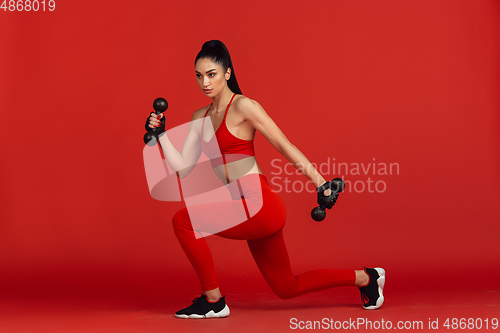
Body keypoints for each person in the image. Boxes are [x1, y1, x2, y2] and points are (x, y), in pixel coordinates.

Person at [146, 40, 385, 319]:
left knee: (183, 221)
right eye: (199, 76)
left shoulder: (244, 106)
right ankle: (367, 278)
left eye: (211, 74)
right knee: (287, 287)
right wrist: (161, 135)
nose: (205, 82)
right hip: (241, 207)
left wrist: (320, 182)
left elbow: (283, 144)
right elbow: (183, 168)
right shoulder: (199, 117)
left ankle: (213, 300)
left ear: (226, 73)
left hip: (258, 203)